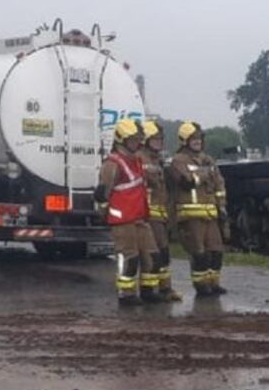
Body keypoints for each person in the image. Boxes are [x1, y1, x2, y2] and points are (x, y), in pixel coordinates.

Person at [94, 118, 162, 305]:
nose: (136, 143)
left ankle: (148, 291)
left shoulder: (136, 160)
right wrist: (104, 214)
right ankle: (126, 293)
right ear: (121, 140)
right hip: (123, 220)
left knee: (152, 256)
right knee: (129, 258)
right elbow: (103, 194)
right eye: (133, 140)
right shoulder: (113, 163)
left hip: (139, 217)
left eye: (138, 140)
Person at [168, 121, 228, 296]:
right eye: (193, 139)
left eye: (199, 138)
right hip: (191, 216)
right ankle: (201, 286)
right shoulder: (178, 160)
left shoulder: (208, 159)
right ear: (184, 141)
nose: (197, 141)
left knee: (216, 251)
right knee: (199, 254)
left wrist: (222, 207)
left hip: (211, 214)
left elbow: (219, 183)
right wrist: (203, 174)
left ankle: (214, 283)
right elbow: (186, 182)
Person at [138, 120, 182, 302]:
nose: (158, 142)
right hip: (149, 215)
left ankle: (165, 288)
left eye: (160, 139)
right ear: (146, 140)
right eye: (155, 139)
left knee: (163, 252)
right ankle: (150, 290)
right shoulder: (140, 158)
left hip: (161, 214)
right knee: (153, 253)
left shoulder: (158, 160)